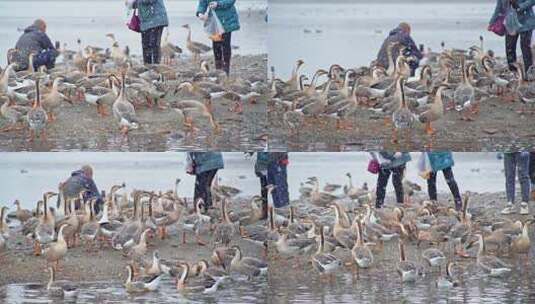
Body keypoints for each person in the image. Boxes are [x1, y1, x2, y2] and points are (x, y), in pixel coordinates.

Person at [489, 0, 535, 73]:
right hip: (510, 24)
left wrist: (519, 7)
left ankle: (529, 72)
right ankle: (513, 72)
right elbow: (498, 8)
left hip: (526, 23)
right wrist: (491, 22)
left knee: (525, 48)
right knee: (509, 48)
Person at [196, 0, 240, 75]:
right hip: (213, 20)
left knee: (225, 44)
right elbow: (202, 2)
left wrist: (218, 4)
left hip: (226, 19)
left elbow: (230, 1)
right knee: (216, 45)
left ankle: (226, 70)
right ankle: (218, 69)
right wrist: (200, 13)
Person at [129, 0, 169, 64]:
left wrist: (135, 2)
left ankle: (155, 66)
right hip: (146, 21)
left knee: (153, 44)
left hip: (156, 20)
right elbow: (135, 5)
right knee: (146, 45)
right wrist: (131, 4)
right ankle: (148, 65)